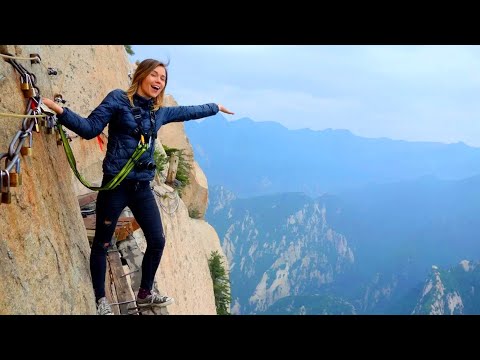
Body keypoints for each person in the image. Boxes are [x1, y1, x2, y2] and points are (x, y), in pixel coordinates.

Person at [43, 58, 234, 315]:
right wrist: (60, 112)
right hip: (116, 185)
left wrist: (215, 107)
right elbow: (90, 129)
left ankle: (145, 293)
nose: (158, 81)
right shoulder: (118, 100)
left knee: (157, 239)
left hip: (142, 188)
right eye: (154, 75)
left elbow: (188, 111)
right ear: (141, 75)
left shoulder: (159, 112)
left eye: (163, 79)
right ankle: (101, 299)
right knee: (102, 243)